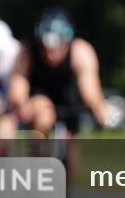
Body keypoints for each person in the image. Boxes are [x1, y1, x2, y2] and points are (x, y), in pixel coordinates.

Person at [11, 8, 109, 147]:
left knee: (70, 152)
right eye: (45, 48)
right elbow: (17, 91)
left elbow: (91, 92)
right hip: (39, 98)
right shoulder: (26, 52)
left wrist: (99, 110)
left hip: (69, 101)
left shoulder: (81, 52)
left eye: (55, 48)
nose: (50, 54)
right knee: (43, 119)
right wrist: (24, 107)